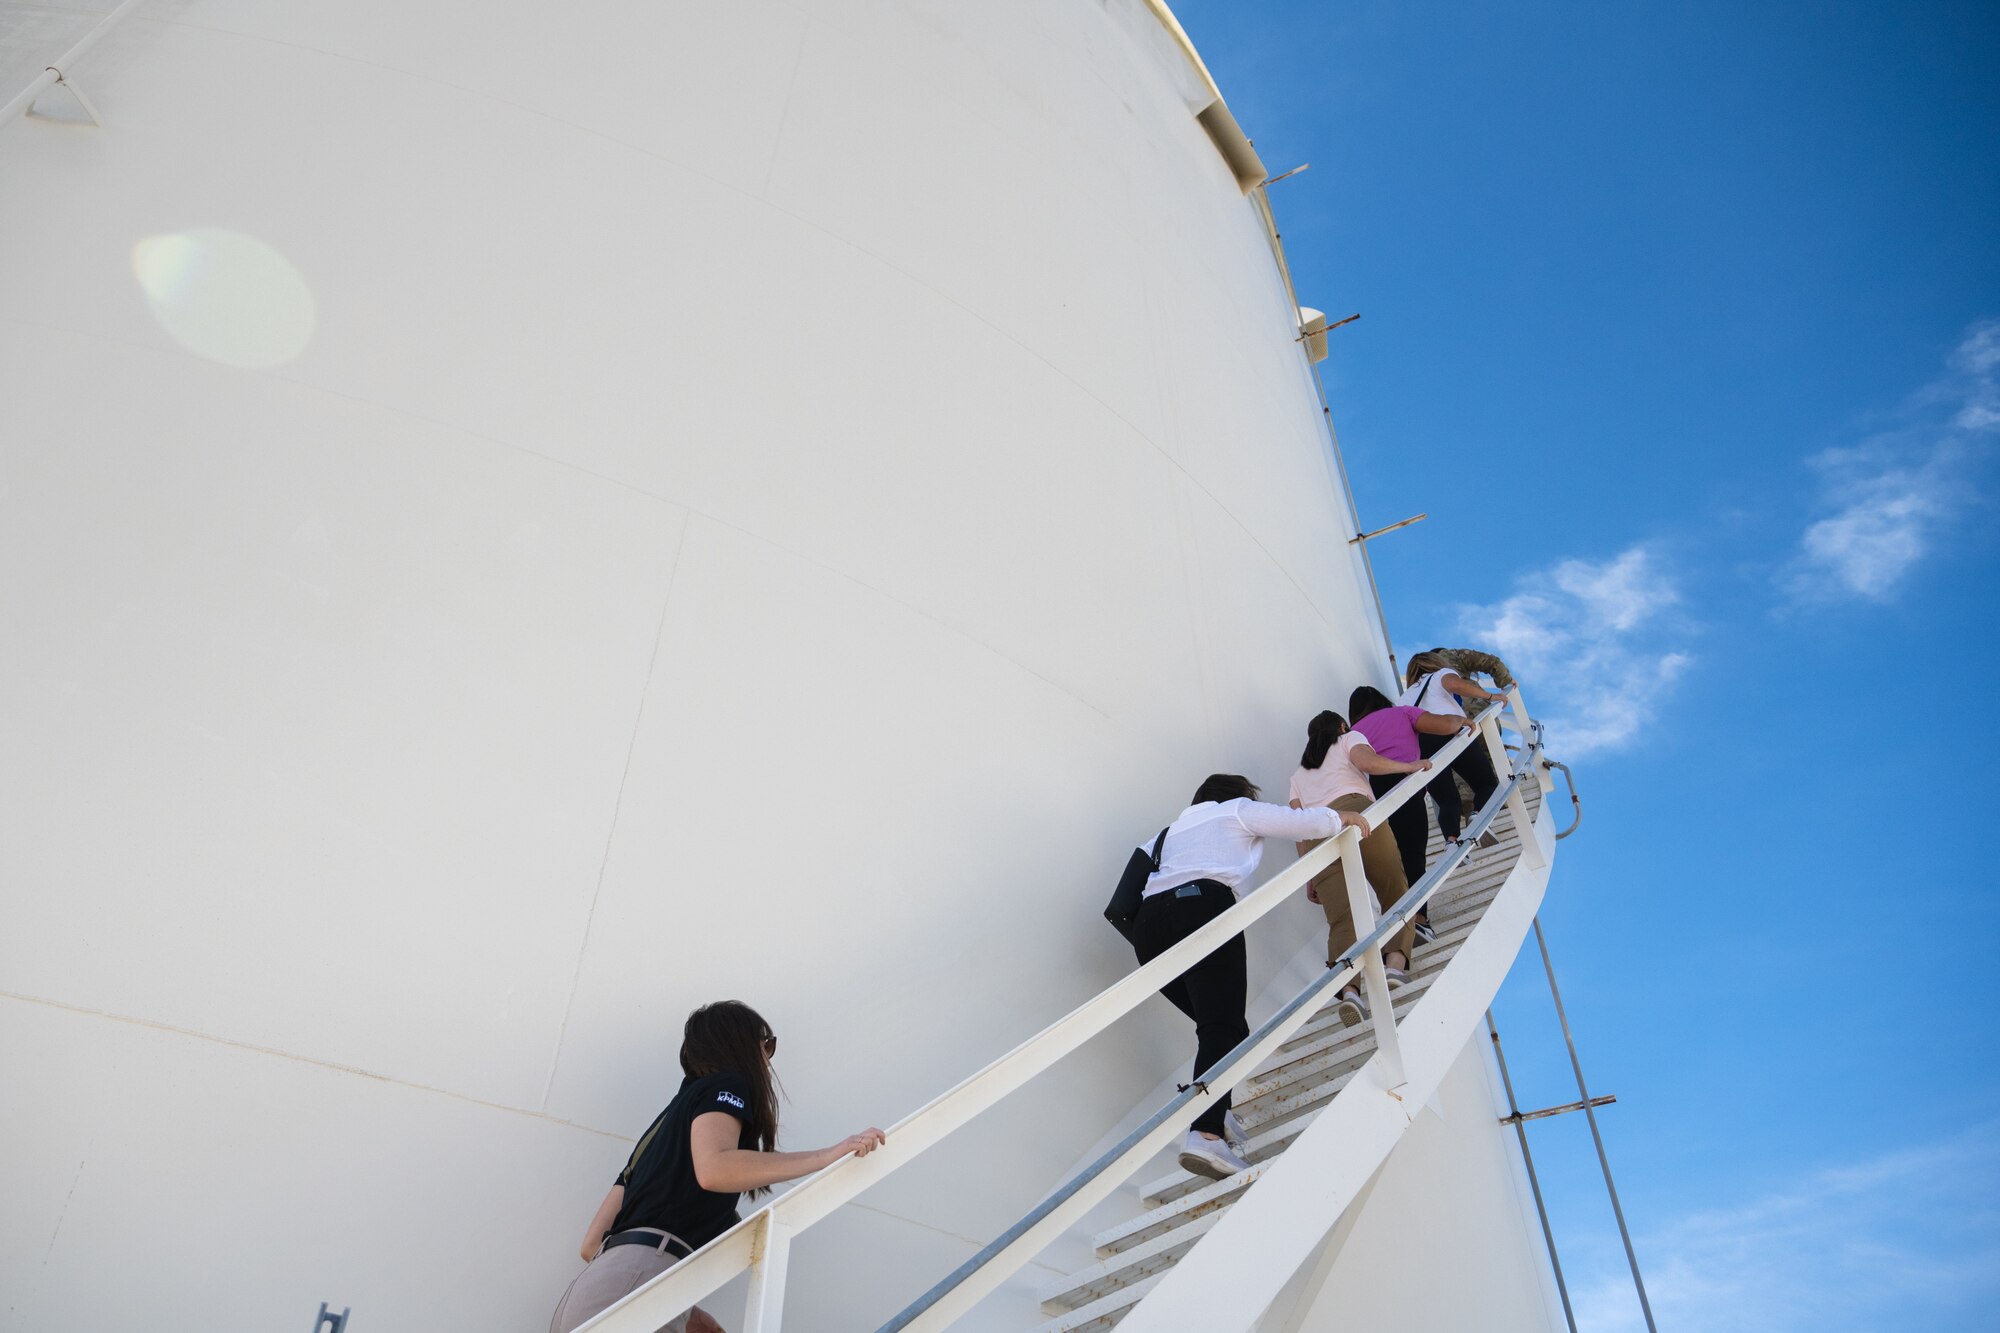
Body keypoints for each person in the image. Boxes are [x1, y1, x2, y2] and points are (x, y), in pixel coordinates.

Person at [550, 1002, 887, 1333]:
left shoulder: (658, 1134)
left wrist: (684, 1311)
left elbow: (592, 1244)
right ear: (740, 1044)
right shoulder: (726, 1085)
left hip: (587, 1293)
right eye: (766, 1044)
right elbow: (714, 1169)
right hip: (635, 1286)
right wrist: (829, 1154)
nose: (767, 1059)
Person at [1133, 774, 1361, 1180]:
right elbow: (1301, 822)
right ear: (1237, 795)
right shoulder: (1235, 810)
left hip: (1148, 928)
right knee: (1222, 1026)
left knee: (1228, 1029)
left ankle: (1216, 1110)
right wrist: (1342, 817)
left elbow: (1128, 891)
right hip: (1202, 908)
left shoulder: (1166, 835)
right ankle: (1205, 1133)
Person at [1288, 711, 1431, 1030]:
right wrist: (1409, 766)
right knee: (1394, 887)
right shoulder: (1348, 739)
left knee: (1342, 917)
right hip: (1357, 813)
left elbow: (1297, 826)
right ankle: (1394, 964)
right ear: (1341, 726)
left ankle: (1350, 989)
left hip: (1316, 834)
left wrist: (1309, 874)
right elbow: (1367, 763)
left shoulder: (1298, 774)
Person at [1348, 684, 1476, 942]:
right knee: (1413, 852)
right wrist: (1461, 720)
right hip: (1405, 783)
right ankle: (1419, 920)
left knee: (1392, 860)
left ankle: (1397, 923)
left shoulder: (1353, 732)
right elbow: (1441, 724)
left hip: (1374, 794)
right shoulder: (1402, 713)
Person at [1397, 650, 1510, 846]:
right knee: (1486, 784)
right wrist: (1490, 696)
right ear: (1435, 662)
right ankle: (1477, 814)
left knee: (1447, 801)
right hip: (1449, 731)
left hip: (1423, 746)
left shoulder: (1404, 699)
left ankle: (1451, 842)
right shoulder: (1439, 675)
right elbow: (1455, 685)